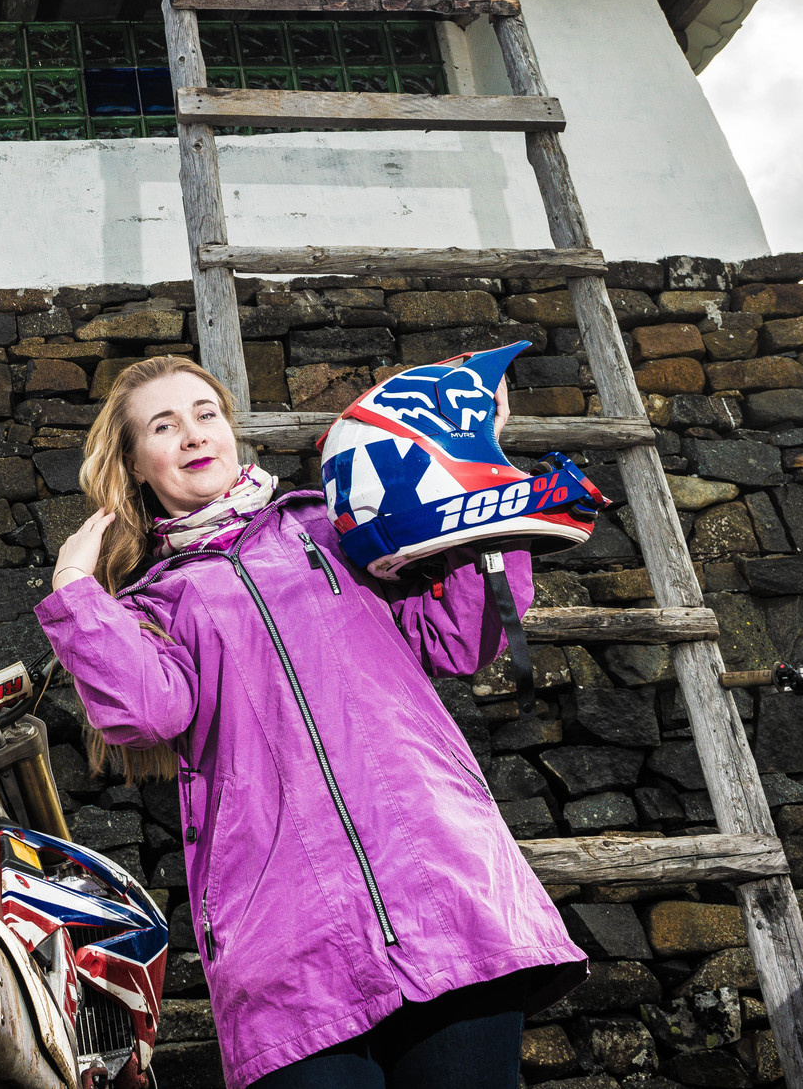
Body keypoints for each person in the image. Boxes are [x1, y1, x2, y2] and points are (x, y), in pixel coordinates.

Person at [38, 354, 584, 1089]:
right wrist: (76, 588)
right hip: (285, 943)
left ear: (233, 431)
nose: (194, 435)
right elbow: (146, 710)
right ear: (135, 463)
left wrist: (472, 470)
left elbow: (460, 636)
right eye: (164, 426)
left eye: (206, 414)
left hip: (438, 887)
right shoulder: (150, 604)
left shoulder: (332, 525)